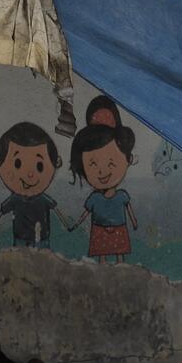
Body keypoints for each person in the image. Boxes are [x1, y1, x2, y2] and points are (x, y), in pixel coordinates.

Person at [61, 97, 139, 263]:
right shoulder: (95, 198)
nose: (102, 171)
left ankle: (119, 264)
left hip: (118, 229)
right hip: (99, 230)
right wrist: (75, 224)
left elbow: (130, 211)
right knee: (102, 254)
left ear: (129, 159)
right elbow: (85, 214)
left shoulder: (121, 196)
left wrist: (134, 222)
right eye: (93, 164)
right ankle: (103, 265)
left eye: (111, 162)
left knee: (119, 252)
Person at [0, 121, 60, 248]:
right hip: (21, 239)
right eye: (17, 164)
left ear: (56, 163)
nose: (30, 175)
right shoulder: (16, 199)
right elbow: (1, 211)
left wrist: (68, 225)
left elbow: (56, 209)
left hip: (41, 239)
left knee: (40, 263)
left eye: (39, 166)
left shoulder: (42, 199)